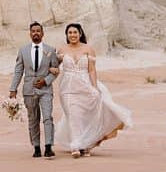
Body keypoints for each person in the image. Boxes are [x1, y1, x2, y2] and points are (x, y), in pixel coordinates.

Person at [51, 22, 132, 158]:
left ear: (80, 33)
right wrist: (51, 71)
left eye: (75, 32)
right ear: (66, 35)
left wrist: (94, 88)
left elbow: (92, 70)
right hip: (67, 88)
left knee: (84, 117)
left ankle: (85, 144)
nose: (72, 35)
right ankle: (76, 146)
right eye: (70, 33)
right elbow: (54, 67)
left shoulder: (88, 49)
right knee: (73, 115)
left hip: (85, 86)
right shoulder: (62, 50)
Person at [8, 21, 60, 158]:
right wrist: (13, 89)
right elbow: (18, 71)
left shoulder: (50, 50)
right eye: (33, 31)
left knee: (47, 117)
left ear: (42, 33)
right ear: (30, 34)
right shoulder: (23, 50)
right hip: (29, 90)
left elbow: (55, 70)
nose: (36, 33)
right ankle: (36, 147)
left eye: (38, 31)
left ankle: (49, 146)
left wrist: (46, 81)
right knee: (33, 119)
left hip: (45, 89)